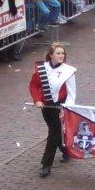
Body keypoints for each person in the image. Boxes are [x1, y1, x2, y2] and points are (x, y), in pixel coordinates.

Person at [28, 43, 75, 178]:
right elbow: (34, 86)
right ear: (51, 55)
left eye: (62, 53)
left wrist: (66, 109)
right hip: (47, 106)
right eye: (58, 53)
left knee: (53, 133)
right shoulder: (42, 68)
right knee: (55, 131)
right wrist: (37, 100)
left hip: (60, 106)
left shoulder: (69, 71)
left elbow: (72, 94)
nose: (61, 56)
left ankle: (46, 164)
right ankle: (66, 150)